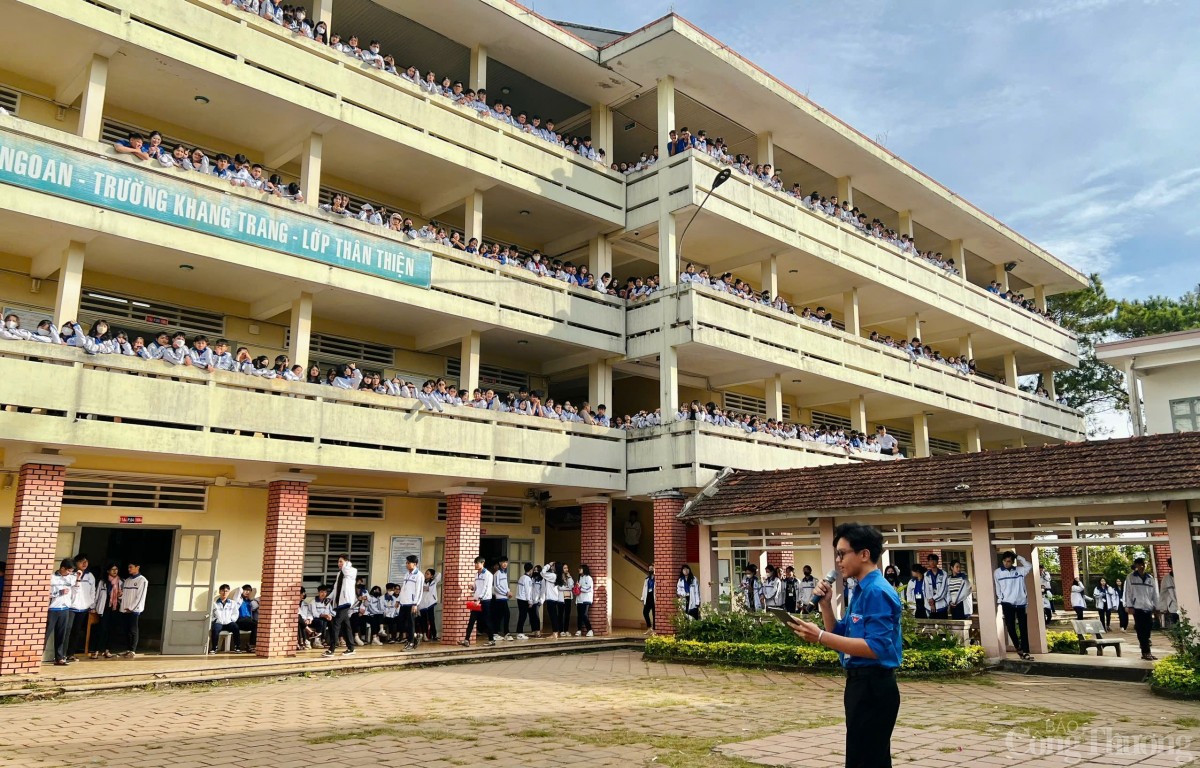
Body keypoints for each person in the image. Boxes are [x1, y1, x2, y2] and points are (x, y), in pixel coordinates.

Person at [788, 523, 901, 768]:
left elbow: (876, 647)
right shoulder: (861, 590)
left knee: (865, 761)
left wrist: (819, 637)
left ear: (864, 554)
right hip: (859, 684)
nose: (838, 561)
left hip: (873, 685)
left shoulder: (876, 592)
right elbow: (840, 634)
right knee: (868, 759)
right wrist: (826, 606)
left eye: (842, 553)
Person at [994, 551, 1032, 660]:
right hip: (1007, 603)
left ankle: (1025, 651)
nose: (1006, 563)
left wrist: (1019, 557)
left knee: (1023, 627)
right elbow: (997, 587)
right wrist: (1000, 599)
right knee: (1010, 627)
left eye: (1009, 561)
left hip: (1021, 603)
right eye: (1005, 561)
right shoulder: (997, 572)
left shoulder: (1020, 570)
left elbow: (1029, 566)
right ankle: (1018, 647)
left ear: (1012, 562)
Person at [1124, 557, 1158, 661]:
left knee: (1148, 628)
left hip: (1147, 607)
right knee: (1141, 629)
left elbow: (1155, 594)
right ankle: (1145, 651)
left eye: (1144, 564)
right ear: (1136, 566)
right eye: (1140, 565)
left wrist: (1157, 607)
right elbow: (1128, 592)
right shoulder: (1130, 577)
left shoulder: (1150, 578)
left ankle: (1146, 649)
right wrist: (1129, 605)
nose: (1142, 567)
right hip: (1137, 607)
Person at [324, 553, 358, 657]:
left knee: (336, 624)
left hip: (346, 601)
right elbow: (336, 588)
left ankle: (332, 649)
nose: (339, 563)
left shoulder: (352, 570)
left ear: (347, 562)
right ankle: (351, 647)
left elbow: (346, 571)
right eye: (338, 561)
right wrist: (329, 597)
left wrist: (345, 565)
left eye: (341, 561)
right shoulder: (340, 574)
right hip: (339, 602)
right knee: (345, 625)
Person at [461, 556, 495, 647]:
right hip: (477, 601)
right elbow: (477, 588)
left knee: (487, 620)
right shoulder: (476, 574)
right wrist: (472, 587)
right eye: (475, 563)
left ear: (482, 563)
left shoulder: (488, 575)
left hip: (485, 601)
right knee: (471, 620)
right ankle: (466, 639)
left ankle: (491, 640)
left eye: (477, 563)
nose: (475, 565)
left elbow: (486, 588)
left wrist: (479, 599)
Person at [48, 558, 77, 666]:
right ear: (62, 568)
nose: (69, 573)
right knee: (45, 634)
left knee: (61, 635)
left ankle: (59, 658)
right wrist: (59, 592)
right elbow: (47, 592)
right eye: (68, 570)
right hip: (52, 609)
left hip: (65, 609)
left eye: (71, 571)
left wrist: (78, 579)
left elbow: (76, 590)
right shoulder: (52, 578)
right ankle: (36, 657)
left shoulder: (71, 578)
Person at [67, 553, 95, 660]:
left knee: (77, 631)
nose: (85, 563)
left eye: (86, 561)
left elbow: (93, 591)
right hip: (71, 607)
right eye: (82, 561)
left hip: (83, 608)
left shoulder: (90, 576)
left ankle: (71, 654)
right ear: (76, 563)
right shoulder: (71, 575)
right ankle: (61, 654)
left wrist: (90, 604)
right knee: (67, 630)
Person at [90, 562, 122, 659]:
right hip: (104, 608)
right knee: (102, 629)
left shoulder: (120, 582)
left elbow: (122, 597)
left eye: (116, 569)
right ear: (108, 571)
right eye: (112, 569)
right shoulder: (103, 582)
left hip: (114, 608)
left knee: (111, 630)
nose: (115, 571)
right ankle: (96, 650)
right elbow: (97, 595)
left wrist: (120, 595)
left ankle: (107, 650)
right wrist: (93, 607)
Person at [118, 561, 149, 657]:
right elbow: (125, 595)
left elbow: (140, 597)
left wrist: (132, 608)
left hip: (134, 610)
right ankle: (128, 649)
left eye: (131, 567)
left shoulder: (142, 580)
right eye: (128, 567)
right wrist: (120, 598)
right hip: (125, 609)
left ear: (137, 567)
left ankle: (132, 650)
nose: (129, 569)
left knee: (133, 630)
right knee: (126, 630)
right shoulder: (127, 580)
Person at [397, 555, 422, 650]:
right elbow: (403, 588)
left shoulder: (419, 575)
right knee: (401, 623)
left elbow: (419, 591)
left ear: (414, 564)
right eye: (406, 563)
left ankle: (410, 642)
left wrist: (415, 604)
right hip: (403, 602)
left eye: (408, 563)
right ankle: (415, 636)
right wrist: (399, 600)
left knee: (410, 624)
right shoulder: (407, 574)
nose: (406, 564)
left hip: (411, 604)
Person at [210, 584, 242, 653]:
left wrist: (231, 620)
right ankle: (214, 648)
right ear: (219, 592)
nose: (224, 593)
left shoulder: (232, 603)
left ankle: (237, 647)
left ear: (229, 592)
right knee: (215, 629)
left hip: (228, 622)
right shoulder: (214, 603)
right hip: (219, 622)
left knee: (235, 627)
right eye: (222, 591)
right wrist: (215, 620)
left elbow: (235, 613)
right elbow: (211, 615)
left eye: (226, 591)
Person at [492, 556, 513, 641]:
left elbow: (505, 585)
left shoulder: (504, 573)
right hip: (500, 598)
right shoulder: (497, 573)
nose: (505, 564)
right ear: (500, 563)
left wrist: (509, 591)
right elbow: (496, 586)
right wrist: (506, 592)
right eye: (503, 562)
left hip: (504, 598)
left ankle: (500, 633)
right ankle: (501, 633)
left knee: (503, 616)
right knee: (503, 615)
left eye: (506, 562)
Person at [923, 554, 948, 619]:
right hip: (930, 606)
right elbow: (926, 590)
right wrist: (931, 604)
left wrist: (933, 599)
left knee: (943, 626)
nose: (932, 562)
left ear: (937, 562)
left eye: (934, 560)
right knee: (931, 627)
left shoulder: (943, 573)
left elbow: (944, 589)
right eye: (930, 560)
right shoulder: (926, 575)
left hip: (941, 604)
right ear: (928, 562)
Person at [418, 568, 441, 642]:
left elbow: (439, 574)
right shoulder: (421, 582)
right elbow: (422, 589)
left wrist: (433, 576)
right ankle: (424, 635)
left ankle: (434, 635)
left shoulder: (434, 581)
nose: (425, 575)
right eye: (425, 573)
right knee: (423, 620)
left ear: (431, 576)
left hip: (430, 603)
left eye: (428, 573)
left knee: (431, 620)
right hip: (422, 604)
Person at [516, 562, 536, 640]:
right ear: (531, 570)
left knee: (522, 616)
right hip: (524, 599)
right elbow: (528, 591)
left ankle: (519, 632)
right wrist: (530, 601)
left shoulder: (521, 577)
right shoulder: (527, 579)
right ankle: (519, 633)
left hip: (519, 598)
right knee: (523, 616)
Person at [236, 584, 259, 650]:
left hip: (249, 620)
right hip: (240, 620)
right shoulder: (239, 600)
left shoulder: (250, 601)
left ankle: (253, 645)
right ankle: (251, 645)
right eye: (246, 590)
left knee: (259, 625)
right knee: (256, 625)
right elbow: (239, 589)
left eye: (249, 591)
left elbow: (255, 607)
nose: (247, 592)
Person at [1160, 558, 1179, 629]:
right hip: (1174, 608)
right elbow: (1163, 593)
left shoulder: (1183, 576)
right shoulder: (1166, 579)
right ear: (1170, 566)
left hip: (1186, 607)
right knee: (1177, 628)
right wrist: (1163, 608)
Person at [576, 564, 594, 637]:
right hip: (579, 599)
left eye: (581, 568)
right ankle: (579, 630)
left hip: (586, 599)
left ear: (584, 569)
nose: (579, 570)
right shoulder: (579, 578)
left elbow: (588, 589)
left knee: (584, 615)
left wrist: (580, 587)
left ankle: (590, 630)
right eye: (579, 568)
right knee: (579, 616)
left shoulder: (588, 578)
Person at [640, 565, 655, 633]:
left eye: (652, 568)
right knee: (645, 612)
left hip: (654, 597)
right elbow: (644, 589)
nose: (650, 570)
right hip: (648, 597)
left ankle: (655, 630)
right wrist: (642, 599)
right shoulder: (647, 579)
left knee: (654, 614)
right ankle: (649, 628)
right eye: (649, 569)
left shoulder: (657, 578)